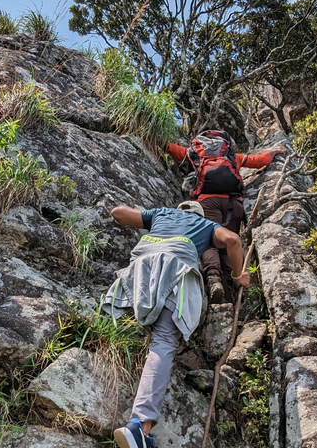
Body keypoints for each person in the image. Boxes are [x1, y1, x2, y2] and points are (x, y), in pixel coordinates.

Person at [104, 201, 249, 448]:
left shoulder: (160, 214)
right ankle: (140, 427)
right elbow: (233, 240)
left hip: (139, 273)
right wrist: (238, 276)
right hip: (175, 271)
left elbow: (118, 213)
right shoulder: (205, 224)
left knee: (131, 323)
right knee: (164, 341)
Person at [165, 136, 284, 303]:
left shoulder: (198, 156)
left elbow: (176, 151)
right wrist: (273, 152)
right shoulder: (232, 158)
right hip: (233, 205)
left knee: (209, 240)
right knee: (229, 243)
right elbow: (258, 161)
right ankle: (233, 288)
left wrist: (162, 144)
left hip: (207, 202)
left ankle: (214, 279)